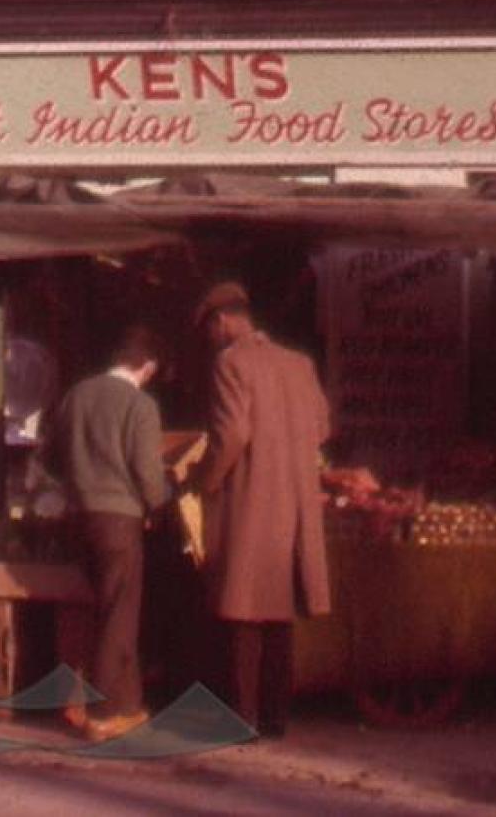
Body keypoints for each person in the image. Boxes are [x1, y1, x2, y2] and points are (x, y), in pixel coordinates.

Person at [190, 281, 331, 737]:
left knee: (243, 616)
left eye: (210, 329)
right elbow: (322, 427)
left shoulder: (231, 364)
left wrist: (204, 481)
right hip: (294, 506)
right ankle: (276, 718)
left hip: (249, 503)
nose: (211, 338)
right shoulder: (300, 364)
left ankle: (242, 718)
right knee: (279, 618)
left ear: (222, 321)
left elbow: (231, 436)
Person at [48, 323, 170, 742]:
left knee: (110, 609)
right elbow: (147, 472)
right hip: (120, 519)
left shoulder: (76, 395)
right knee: (119, 614)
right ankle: (100, 714)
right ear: (148, 366)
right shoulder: (141, 406)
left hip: (78, 517)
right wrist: (163, 504)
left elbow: (49, 458)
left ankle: (128, 705)